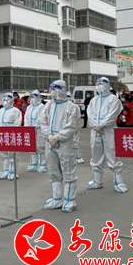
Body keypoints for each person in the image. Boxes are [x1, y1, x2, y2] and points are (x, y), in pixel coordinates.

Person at [40, 81, 81, 212]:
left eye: (54, 89)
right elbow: (43, 121)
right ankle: (57, 198)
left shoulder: (72, 107)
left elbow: (72, 126)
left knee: (68, 170)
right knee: (53, 171)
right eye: (51, 89)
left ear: (61, 90)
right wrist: (48, 136)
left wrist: (58, 137)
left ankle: (69, 200)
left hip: (64, 143)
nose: (52, 91)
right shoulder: (49, 105)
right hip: (50, 142)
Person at [86, 77, 128, 193]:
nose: (99, 86)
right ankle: (97, 180)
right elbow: (89, 114)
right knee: (96, 155)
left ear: (108, 86)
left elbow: (112, 114)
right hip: (95, 132)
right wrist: (94, 125)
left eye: (102, 84)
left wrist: (102, 125)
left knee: (112, 155)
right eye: (98, 84)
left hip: (108, 131)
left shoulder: (113, 99)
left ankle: (118, 182)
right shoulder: (94, 100)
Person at [0, 92, 23, 180]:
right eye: (3, 100)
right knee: (3, 154)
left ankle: (13, 171)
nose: (5, 101)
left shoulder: (16, 111)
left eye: (6, 100)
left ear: (11, 100)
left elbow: (17, 124)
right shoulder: (0, 111)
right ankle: (6, 170)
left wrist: (12, 132)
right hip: (1, 135)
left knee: (12, 154)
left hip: (11, 135)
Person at [23, 90, 46, 173]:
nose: (32, 99)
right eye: (31, 97)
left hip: (39, 130)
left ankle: (42, 164)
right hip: (30, 130)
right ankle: (33, 164)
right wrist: (27, 127)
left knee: (40, 147)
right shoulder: (29, 107)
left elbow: (41, 118)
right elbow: (26, 117)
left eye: (33, 97)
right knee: (32, 147)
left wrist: (35, 127)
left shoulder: (42, 107)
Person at [67, 92, 85, 165]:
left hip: (73, 128)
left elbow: (77, 118)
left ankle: (78, 157)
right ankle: (72, 157)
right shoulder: (64, 106)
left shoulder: (74, 107)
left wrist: (75, 127)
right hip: (66, 129)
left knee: (74, 143)